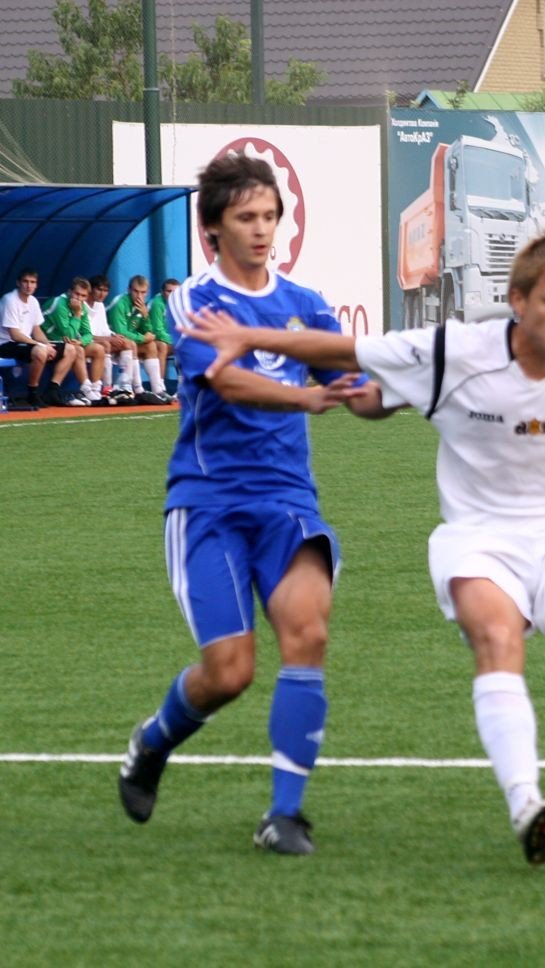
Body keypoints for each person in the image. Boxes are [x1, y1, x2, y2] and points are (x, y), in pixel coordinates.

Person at [181, 232, 545, 866]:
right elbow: (344, 347)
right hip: (479, 537)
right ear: (516, 301)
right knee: (497, 638)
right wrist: (252, 339)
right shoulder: (457, 351)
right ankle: (526, 802)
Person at [117, 152, 389, 855]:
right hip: (207, 505)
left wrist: (389, 392)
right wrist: (307, 396)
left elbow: (355, 392)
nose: (262, 229)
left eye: (270, 216)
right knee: (230, 672)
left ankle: (285, 815)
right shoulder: (192, 302)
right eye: (246, 218)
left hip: (289, 504)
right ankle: (153, 741)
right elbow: (231, 383)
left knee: (308, 635)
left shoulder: (306, 305)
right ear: (214, 229)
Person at [0, 266, 86, 407]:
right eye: (25, 281)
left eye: (32, 282)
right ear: (18, 283)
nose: (29, 285)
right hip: (6, 344)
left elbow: (37, 329)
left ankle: (52, 391)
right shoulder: (9, 300)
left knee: (71, 349)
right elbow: (15, 335)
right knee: (40, 351)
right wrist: (41, 346)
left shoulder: (33, 301)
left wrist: (47, 344)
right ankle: (32, 393)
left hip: (25, 343)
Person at [107, 274, 173, 403]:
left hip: (128, 343)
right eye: (136, 291)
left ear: (147, 293)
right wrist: (143, 338)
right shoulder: (120, 303)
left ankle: (158, 390)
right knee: (132, 343)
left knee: (151, 345)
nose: (139, 296)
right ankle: (138, 388)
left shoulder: (141, 306)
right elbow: (120, 332)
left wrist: (145, 315)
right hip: (110, 341)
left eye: (143, 292)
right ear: (129, 290)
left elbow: (150, 332)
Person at [42, 276, 106, 404]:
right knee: (78, 350)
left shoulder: (82, 306)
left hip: (66, 343)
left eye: (83, 296)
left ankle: (96, 389)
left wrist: (81, 341)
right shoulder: (60, 303)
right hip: (47, 341)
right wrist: (77, 314)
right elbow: (68, 333)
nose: (79, 298)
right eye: (77, 294)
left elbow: (88, 333)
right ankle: (86, 389)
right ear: (70, 291)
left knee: (99, 349)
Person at [87, 274, 139, 403]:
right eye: (99, 289)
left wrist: (113, 335)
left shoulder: (99, 306)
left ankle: (127, 386)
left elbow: (104, 328)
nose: (102, 294)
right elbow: (85, 334)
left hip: (100, 341)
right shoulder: (82, 305)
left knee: (129, 344)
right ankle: (106, 388)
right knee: (106, 345)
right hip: (85, 342)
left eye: (105, 291)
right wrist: (108, 339)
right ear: (91, 289)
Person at [147, 278, 179, 384]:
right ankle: (159, 385)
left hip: (168, 339)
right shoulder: (157, 303)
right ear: (162, 292)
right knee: (163, 346)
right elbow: (158, 331)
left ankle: (186, 386)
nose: (172, 295)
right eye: (169, 291)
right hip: (150, 339)